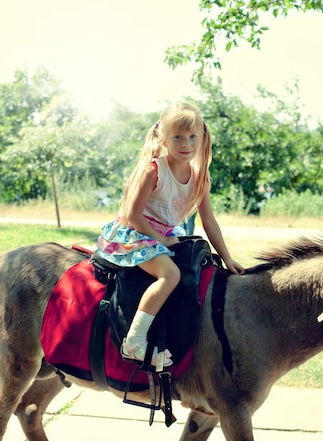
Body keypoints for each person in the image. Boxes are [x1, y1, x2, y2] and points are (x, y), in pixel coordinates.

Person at [96, 102, 245, 368]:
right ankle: (135, 341)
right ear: (164, 138)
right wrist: (161, 240)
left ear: (202, 138)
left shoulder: (199, 177)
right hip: (134, 233)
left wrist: (227, 258)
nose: (186, 143)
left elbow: (209, 220)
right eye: (177, 137)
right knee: (171, 274)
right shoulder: (154, 170)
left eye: (192, 137)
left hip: (163, 233)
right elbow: (133, 215)